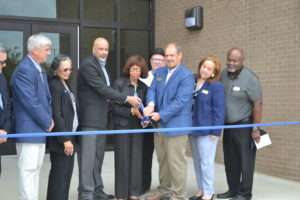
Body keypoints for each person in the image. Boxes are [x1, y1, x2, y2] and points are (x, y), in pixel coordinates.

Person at [77, 37, 140, 200]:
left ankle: (97, 191)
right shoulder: (88, 65)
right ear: (93, 49)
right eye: (100, 49)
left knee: (98, 157)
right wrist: (126, 99)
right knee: (88, 158)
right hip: (90, 119)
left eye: (106, 49)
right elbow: (102, 88)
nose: (104, 52)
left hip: (102, 118)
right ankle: (86, 193)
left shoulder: (103, 66)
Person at [144, 43, 194, 200]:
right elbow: (152, 89)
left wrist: (160, 115)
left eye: (172, 55)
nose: (169, 58)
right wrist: (151, 104)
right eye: (167, 55)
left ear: (180, 55)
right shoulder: (160, 71)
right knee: (163, 160)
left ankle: (179, 195)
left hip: (176, 126)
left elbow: (180, 101)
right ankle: (164, 190)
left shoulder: (186, 76)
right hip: (160, 127)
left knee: (176, 163)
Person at [11, 34, 54, 200]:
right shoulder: (24, 70)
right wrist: (47, 121)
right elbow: (30, 102)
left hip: (39, 129)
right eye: (46, 50)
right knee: (28, 172)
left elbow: (43, 99)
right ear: (35, 50)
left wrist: (47, 121)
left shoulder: (38, 67)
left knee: (35, 171)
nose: (49, 53)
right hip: (29, 129)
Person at [217, 48, 262, 200]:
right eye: (229, 59)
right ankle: (233, 190)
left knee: (245, 162)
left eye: (235, 60)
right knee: (230, 160)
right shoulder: (223, 74)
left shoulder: (251, 79)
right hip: (228, 126)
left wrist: (255, 128)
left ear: (243, 60)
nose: (231, 63)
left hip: (244, 126)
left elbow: (258, 104)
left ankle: (245, 193)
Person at [110, 55, 148, 200]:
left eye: (138, 70)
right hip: (122, 125)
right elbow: (112, 107)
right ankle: (120, 194)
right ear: (128, 69)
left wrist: (146, 119)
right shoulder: (119, 84)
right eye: (133, 69)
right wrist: (130, 111)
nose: (135, 72)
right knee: (122, 159)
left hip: (138, 126)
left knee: (136, 159)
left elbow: (147, 108)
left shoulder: (144, 87)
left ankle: (134, 193)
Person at [189, 56, 225, 200]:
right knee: (197, 161)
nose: (205, 70)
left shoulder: (215, 86)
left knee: (206, 162)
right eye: (203, 66)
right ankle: (201, 188)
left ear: (214, 72)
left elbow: (219, 110)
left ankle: (208, 192)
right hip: (192, 129)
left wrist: (216, 131)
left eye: (209, 69)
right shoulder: (192, 81)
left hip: (207, 131)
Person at [46, 54, 78, 200]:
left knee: (66, 176)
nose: (68, 72)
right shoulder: (55, 85)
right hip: (62, 140)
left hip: (70, 137)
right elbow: (56, 114)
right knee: (59, 177)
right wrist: (65, 139)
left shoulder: (65, 83)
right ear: (55, 70)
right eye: (65, 69)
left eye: (70, 69)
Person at [139, 48, 165, 193]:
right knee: (145, 154)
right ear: (150, 61)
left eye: (160, 60)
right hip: (146, 123)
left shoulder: (168, 76)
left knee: (164, 156)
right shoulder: (144, 77)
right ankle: (144, 185)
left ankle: (165, 186)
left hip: (163, 121)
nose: (157, 62)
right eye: (154, 59)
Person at [0, 43, 11, 176]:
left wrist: (5, 128)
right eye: (1, 62)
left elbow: (7, 104)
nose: (4, 65)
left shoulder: (2, 78)